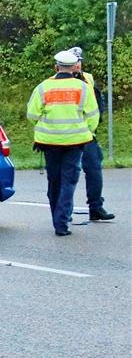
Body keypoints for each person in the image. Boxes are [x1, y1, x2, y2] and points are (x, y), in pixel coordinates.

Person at [27, 49, 100, 236]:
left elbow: (32, 115)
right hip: (75, 142)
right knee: (69, 181)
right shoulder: (83, 87)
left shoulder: (43, 87)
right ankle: (62, 222)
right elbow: (93, 116)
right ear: (74, 68)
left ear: (56, 66)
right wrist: (87, 131)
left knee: (54, 181)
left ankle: (56, 218)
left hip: (49, 142)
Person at [51, 47, 114, 221]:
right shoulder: (55, 82)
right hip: (64, 136)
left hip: (86, 134)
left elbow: (97, 104)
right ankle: (65, 212)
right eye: (74, 61)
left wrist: (93, 126)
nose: (77, 64)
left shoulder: (88, 79)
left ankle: (96, 207)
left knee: (94, 169)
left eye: (79, 61)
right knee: (67, 174)